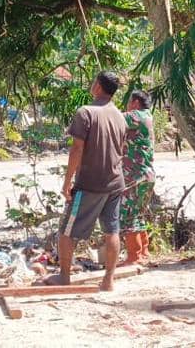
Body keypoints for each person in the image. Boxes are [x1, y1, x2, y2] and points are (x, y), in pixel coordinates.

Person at [44, 72, 127, 291]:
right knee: (112, 230)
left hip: (90, 183)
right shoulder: (120, 115)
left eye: (93, 81)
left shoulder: (85, 112)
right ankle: (108, 280)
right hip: (115, 182)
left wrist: (67, 182)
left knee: (66, 231)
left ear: (98, 86)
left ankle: (64, 277)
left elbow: (77, 148)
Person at [119, 90, 155, 266]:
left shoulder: (136, 116)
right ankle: (144, 251)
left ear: (135, 102)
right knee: (139, 213)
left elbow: (113, 119)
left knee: (128, 214)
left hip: (134, 175)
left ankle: (134, 256)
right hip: (146, 174)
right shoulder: (148, 116)